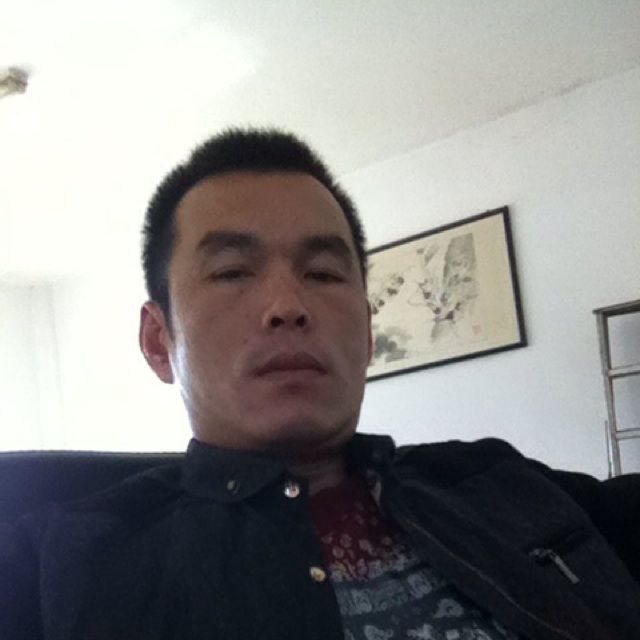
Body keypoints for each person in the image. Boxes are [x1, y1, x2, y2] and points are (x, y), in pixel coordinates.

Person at [2, 129, 640, 640]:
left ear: (367, 331)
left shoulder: (499, 482)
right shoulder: (56, 564)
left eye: (325, 274)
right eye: (232, 272)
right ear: (157, 340)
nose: (287, 305)